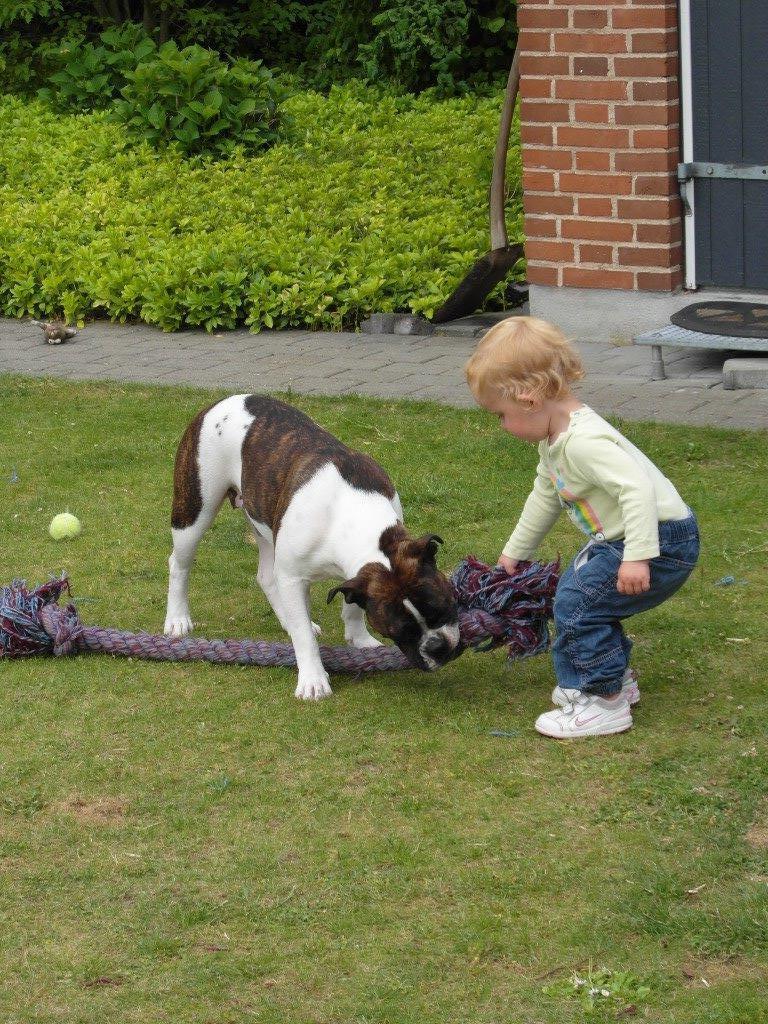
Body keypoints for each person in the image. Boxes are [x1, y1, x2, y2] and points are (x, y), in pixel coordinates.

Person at [465, 316, 699, 738]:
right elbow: (544, 495)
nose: (501, 425)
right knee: (582, 595)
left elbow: (637, 491)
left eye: (501, 414)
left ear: (529, 398)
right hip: (625, 540)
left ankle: (602, 700)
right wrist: (515, 552)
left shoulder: (584, 442)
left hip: (658, 540)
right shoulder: (554, 440)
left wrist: (638, 557)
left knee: (579, 603)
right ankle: (615, 681)